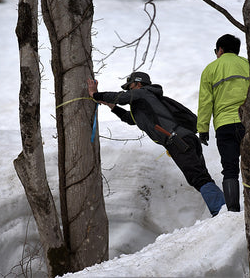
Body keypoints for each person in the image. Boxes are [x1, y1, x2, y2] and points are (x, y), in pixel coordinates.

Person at [88, 72, 225, 217]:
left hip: (178, 141)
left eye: (130, 86)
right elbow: (130, 118)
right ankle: (223, 208)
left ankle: (221, 211)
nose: (128, 90)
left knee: (198, 178)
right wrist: (112, 107)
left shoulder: (143, 93)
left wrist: (95, 95)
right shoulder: (147, 102)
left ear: (139, 84)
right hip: (185, 139)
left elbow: (121, 97)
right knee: (200, 177)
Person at [197, 34, 250, 212]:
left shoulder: (211, 69)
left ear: (220, 50)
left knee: (230, 168)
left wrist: (202, 129)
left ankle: (233, 210)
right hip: (249, 123)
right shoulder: (248, 65)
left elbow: (205, 102)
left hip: (224, 126)